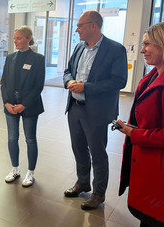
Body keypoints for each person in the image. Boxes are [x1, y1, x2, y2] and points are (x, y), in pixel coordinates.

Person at [63, 11, 127, 210]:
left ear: (93, 26)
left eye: (80, 25)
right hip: (75, 108)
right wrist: (69, 81)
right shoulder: (79, 47)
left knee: (98, 153)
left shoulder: (115, 50)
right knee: (78, 148)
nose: (77, 29)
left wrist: (86, 88)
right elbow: (67, 71)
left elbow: (119, 81)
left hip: (96, 112)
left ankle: (98, 193)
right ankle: (83, 182)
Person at [117, 22, 164, 227]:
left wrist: (133, 133)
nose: (142, 49)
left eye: (147, 44)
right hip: (146, 162)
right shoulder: (152, 76)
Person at [0, 25, 45, 187]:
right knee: (12, 138)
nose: (16, 41)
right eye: (14, 39)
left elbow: (38, 86)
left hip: (30, 106)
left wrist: (23, 105)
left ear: (28, 39)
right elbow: (3, 82)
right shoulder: (10, 58)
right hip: (10, 105)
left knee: (30, 139)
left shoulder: (38, 59)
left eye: (18, 38)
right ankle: (15, 169)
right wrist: (6, 102)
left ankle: (30, 172)